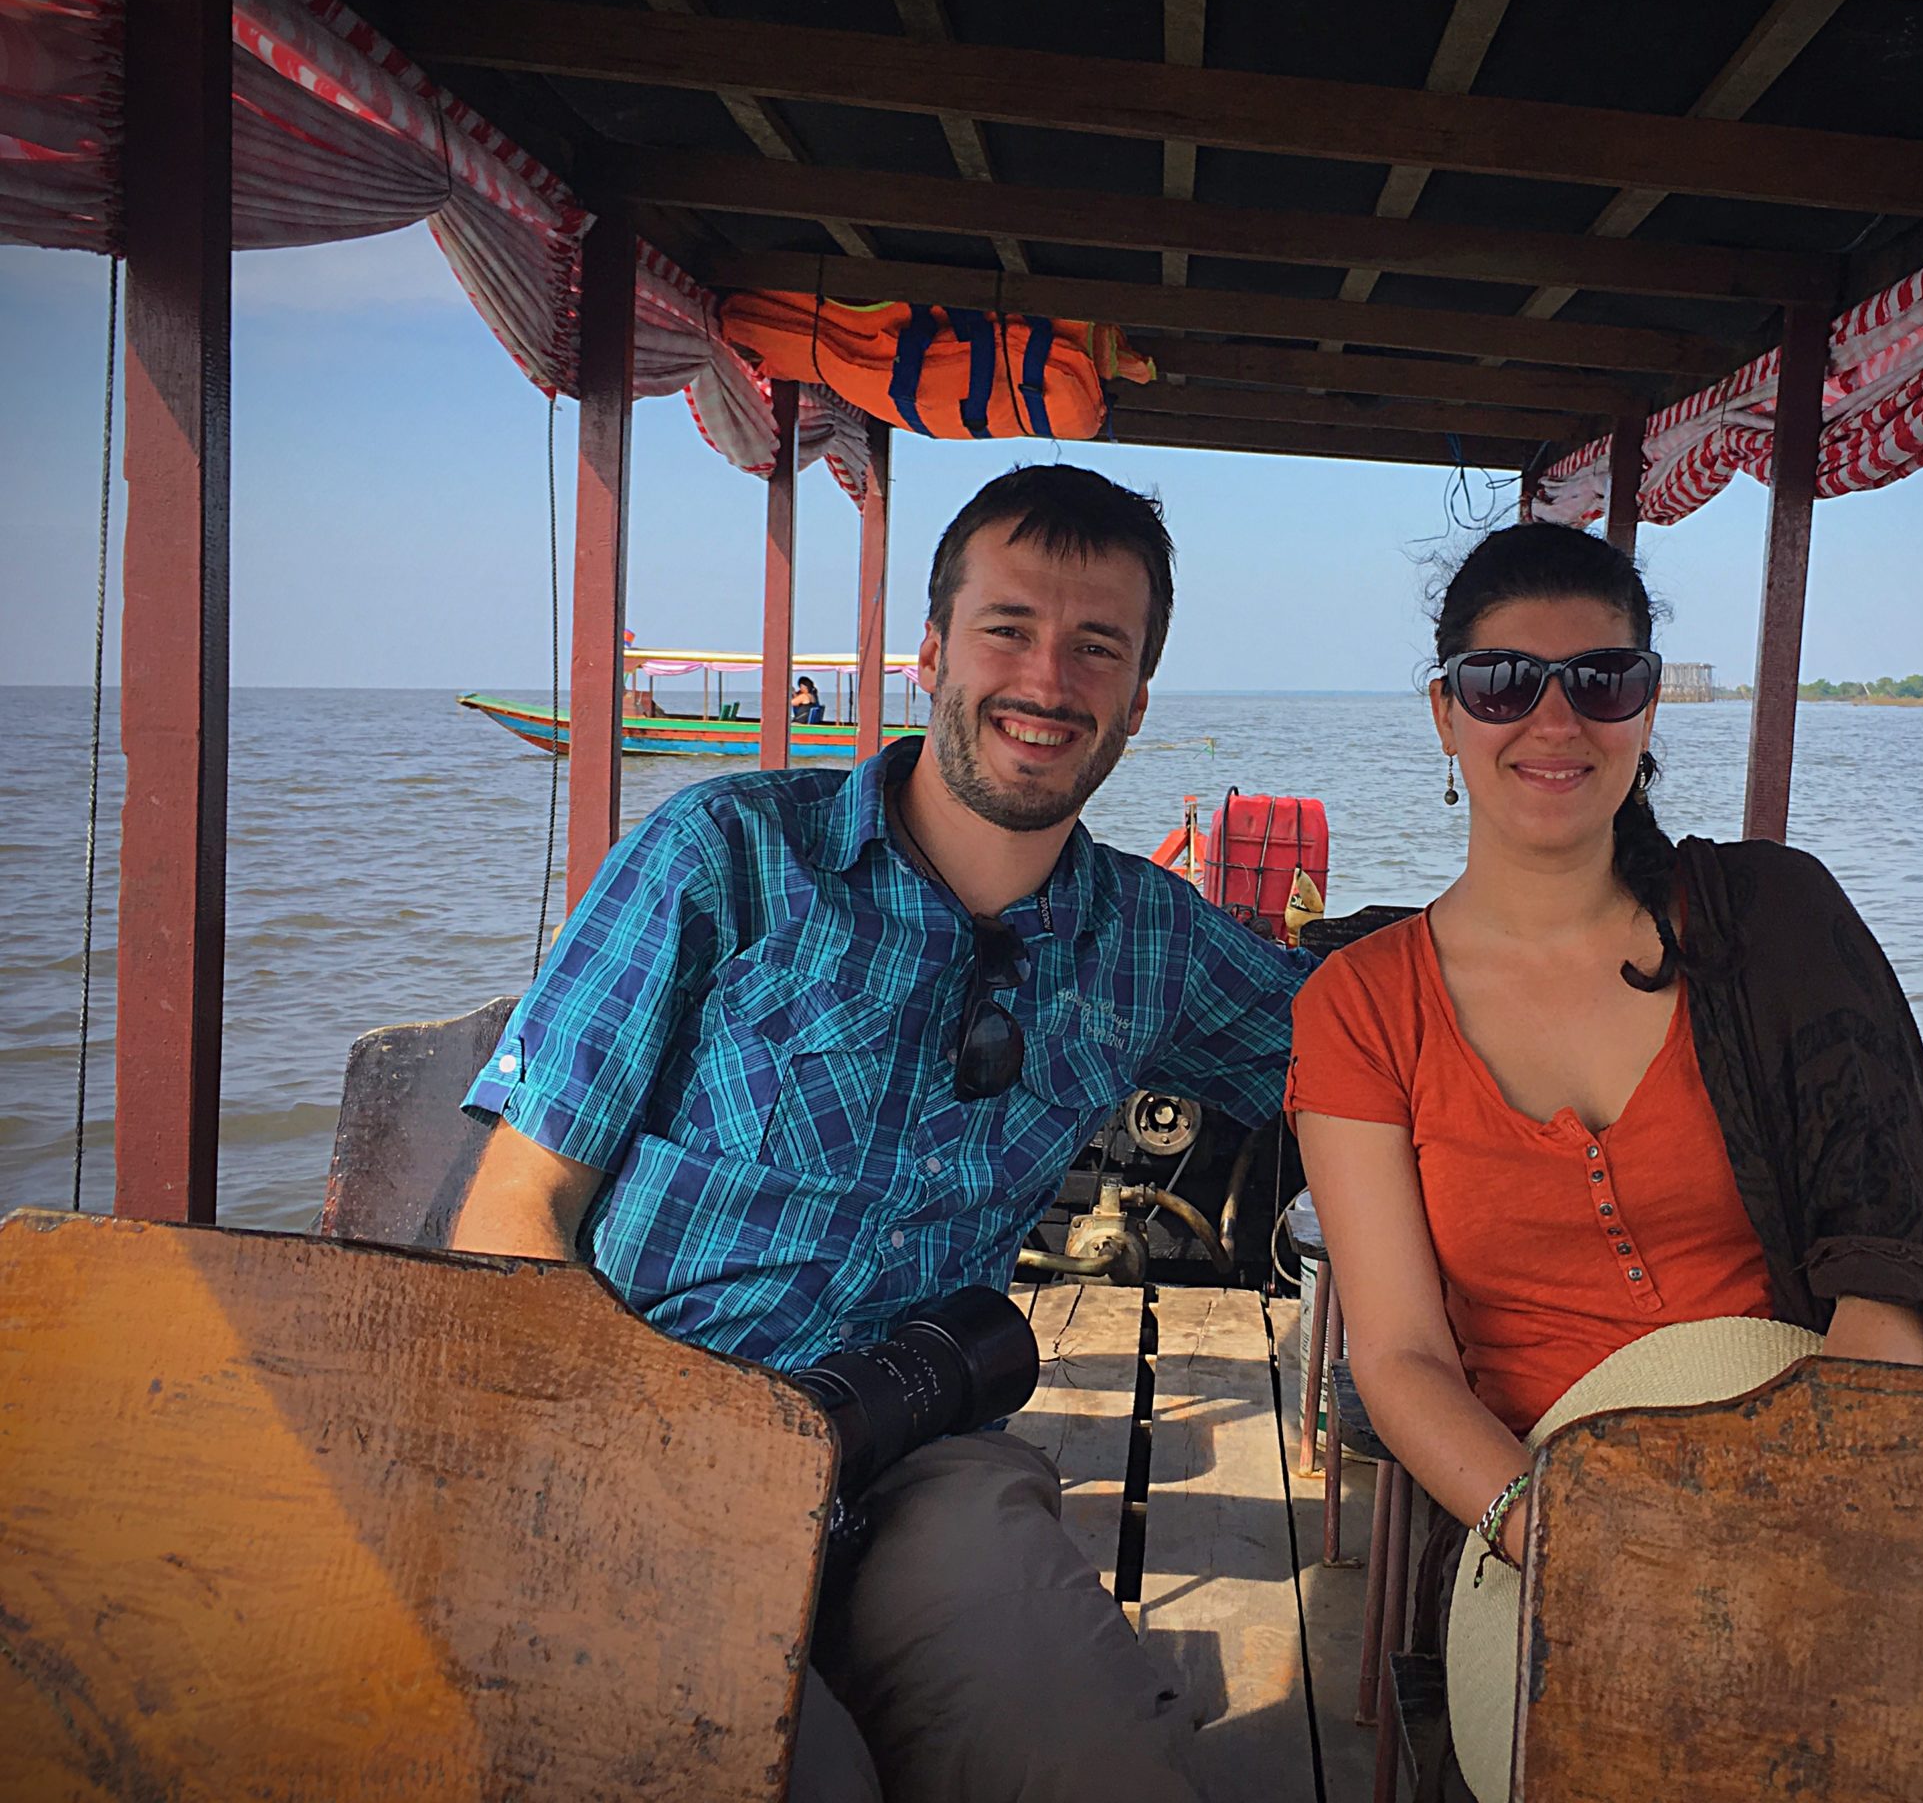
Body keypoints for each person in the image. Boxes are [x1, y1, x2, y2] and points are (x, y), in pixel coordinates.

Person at [451, 464, 1308, 1803]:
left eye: (1098, 647)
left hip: (914, 1446)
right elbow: (514, 1211)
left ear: (1138, 701)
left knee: (1089, 1761)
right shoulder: (727, 857)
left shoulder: (1149, 940)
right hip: (647, 1428)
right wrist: (618, 1448)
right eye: (1008, 629)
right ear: (931, 656)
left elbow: (1376, 1049)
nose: (1048, 679)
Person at [1287, 525, 1923, 1783]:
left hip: (1824, 1484)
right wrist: (1568, 1537)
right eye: (1503, 682)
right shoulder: (1361, 1003)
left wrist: (1783, 1519)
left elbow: (1888, 1259)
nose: (1554, 719)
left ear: (1648, 705)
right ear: (1445, 714)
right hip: (1540, 1519)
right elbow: (1398, 1356)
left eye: (1601, 679)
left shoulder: (1772, 921)